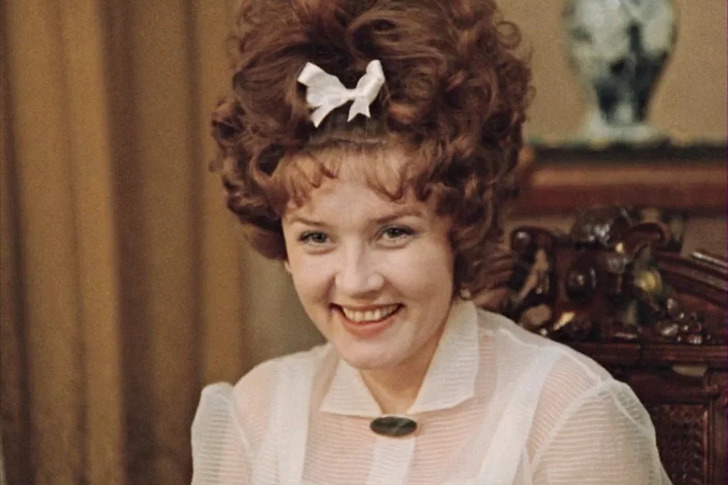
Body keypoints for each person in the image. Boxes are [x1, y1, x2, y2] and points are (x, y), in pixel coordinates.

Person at [191, 0, 672, 483]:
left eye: (394, 232)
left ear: (461, 225)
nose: (356, 282)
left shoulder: (566, 415)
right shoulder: (257, 415)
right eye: (316, 237)